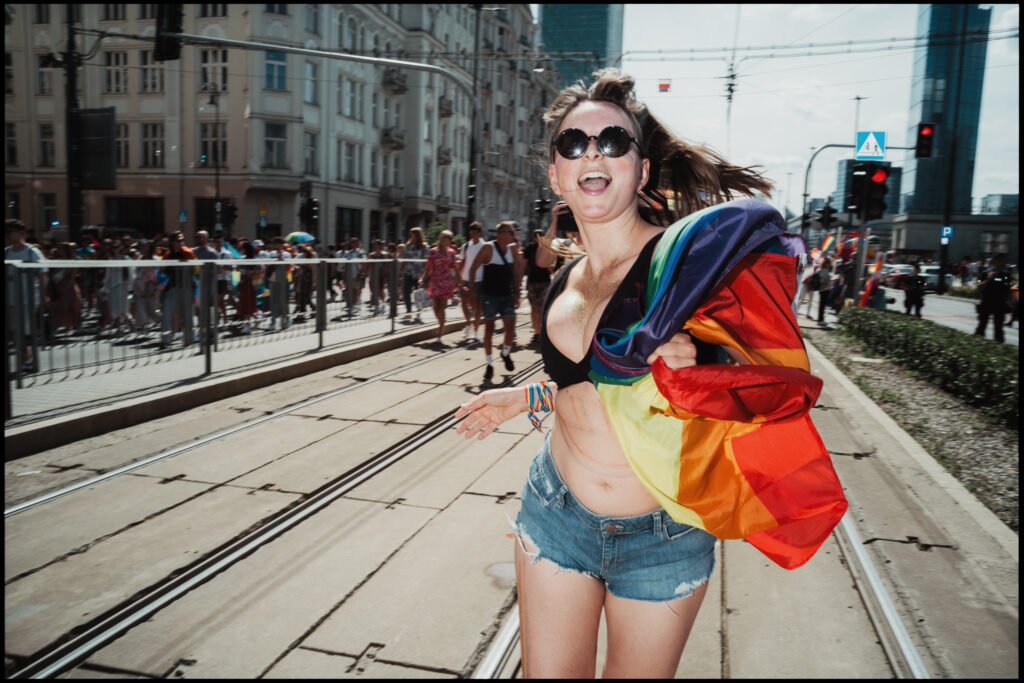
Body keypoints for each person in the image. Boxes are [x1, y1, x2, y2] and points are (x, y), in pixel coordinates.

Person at [452, 69, 846, 678]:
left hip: (662, 535)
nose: (593, 153)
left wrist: (702, 364)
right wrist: (521, 398)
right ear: (555, 174)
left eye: (613, 142)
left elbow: (763, 378)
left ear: (640, 170)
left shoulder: (687, 267)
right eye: (572, 144)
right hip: (556, 513)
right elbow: (588, 389)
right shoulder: (562, 280)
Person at [469, 221, 525, 381]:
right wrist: (472, 292)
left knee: (510, 328)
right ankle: (489, 364)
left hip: (507, 296)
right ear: (501, 233)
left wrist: (517, 293)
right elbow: (473, 268)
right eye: (510, 232)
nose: (513, 235)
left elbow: (516, 272)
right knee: (489, 330)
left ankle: (505, 353)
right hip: (490, 296)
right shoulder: (488, 248)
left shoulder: (512, 249)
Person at [5, 218, 49, 372]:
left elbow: (43, 274)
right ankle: (26, 359)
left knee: (22, 331)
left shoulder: (31, 252)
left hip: (28, 298)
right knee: (13, 332)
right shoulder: (7, 252)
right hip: (11, 298)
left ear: (21, 233)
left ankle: (28, 360)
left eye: (10, 232)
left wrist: (43, 296)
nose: (7, 235)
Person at [158, 231, 198, 348]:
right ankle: (166, 340)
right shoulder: (167, 255)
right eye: (178, 240)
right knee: (167, 314)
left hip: (187, 288)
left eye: (182, 240)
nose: (181, 242)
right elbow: (162, 271)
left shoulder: (189, 253)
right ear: (172, 242)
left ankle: (189, 340)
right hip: (171, 288)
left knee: (188, 315)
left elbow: (196, 270)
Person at [420, 229, 458, 343]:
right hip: (436, 281)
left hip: (446, 281)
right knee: (435, 307)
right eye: (449, 238)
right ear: (442, 238)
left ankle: (440, 332)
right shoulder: (433, 251)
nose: (451, 241)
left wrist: (458, 281)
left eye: (451, 238)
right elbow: (428, 267)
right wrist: (422, 278)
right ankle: (441, 323)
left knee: (442, 307)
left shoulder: (451, 252)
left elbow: (455, 267)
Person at [523, 229, 554, 343]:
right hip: (532, 282)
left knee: (542, 308)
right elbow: (524, 265)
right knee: (534, 308)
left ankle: (542, 331)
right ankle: (537, 332)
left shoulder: (546, 248)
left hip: (545, 282)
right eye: (536, 236)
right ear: (533, 237)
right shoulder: (529, 249)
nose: (538, 238)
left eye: (540, 236)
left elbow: (550, 265)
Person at [457, 222, 486, 339]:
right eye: (471, 233)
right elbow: (462, 262)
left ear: (480, 233)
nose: (473, 235)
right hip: (465, 278)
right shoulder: (466, 246)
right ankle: (468, 324)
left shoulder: (485, 246)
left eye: (475, 233)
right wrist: (459, 278)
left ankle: (476, 330)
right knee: (464, 302)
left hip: (479, 279)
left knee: (478, 305)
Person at [975, 252, 1012, 343]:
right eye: (1000, 261)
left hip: (1000, 304)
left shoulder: (1006, 275)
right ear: (995, 261)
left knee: (998, 330)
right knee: (981, 327)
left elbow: (1009, 290)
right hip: (986, 303)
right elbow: (979, 288)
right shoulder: (985, 273)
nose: (1002, 263)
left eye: (1004, 261)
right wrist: (988, 279)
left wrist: (1011, 303)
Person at [402, 228, 428, 322]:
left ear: (417, 235)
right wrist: (401, 269)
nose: (411, 236)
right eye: (410, 234)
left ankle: (418, 313)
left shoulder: (424, 246)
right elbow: (405, 258)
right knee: (406, 293)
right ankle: (408, 313)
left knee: (418, 294)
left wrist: (425, 274)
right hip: (408, 272)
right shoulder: (408, 245)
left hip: (419, 274)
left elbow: (426, 260)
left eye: (412, 234)